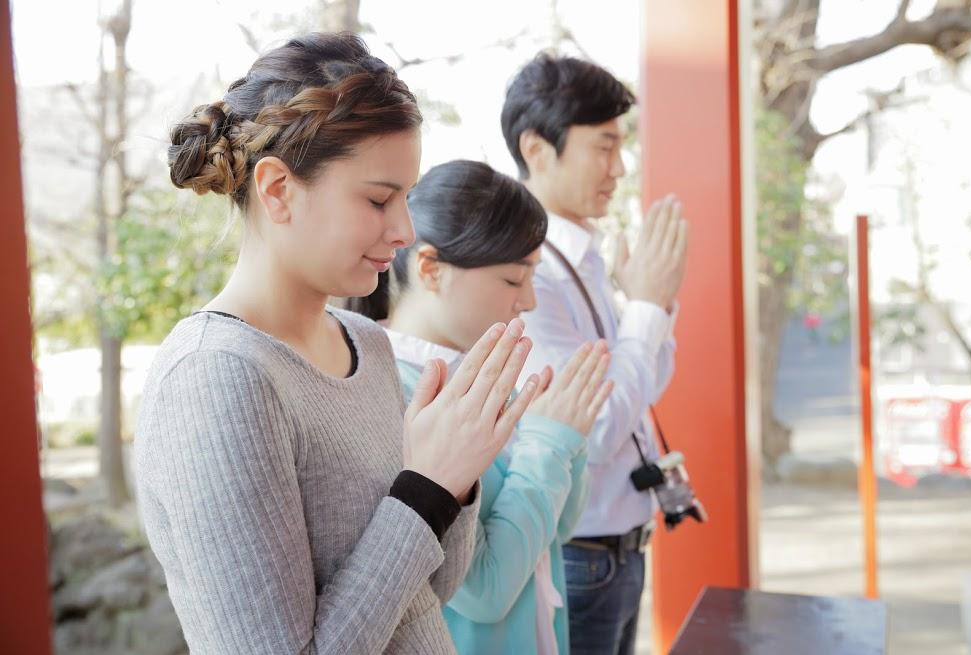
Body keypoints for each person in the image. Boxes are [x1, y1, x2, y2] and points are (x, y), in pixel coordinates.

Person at [135, 33, 541, 655]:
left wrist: (455, 478)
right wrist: (425, 488)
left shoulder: (367, 343)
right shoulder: (215, 377)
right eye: (379, 199)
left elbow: (431, 592)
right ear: (277, 191)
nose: (404, 229)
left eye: (406, 198)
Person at [350, 159, 612, 655]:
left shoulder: (483, 373)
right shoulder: (396, 395)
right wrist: (549, 445)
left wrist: (565, 433)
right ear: (430, 268)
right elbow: (484, 592)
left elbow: (559, 529)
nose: (529, 300)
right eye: (514, 280)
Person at [501, 53, 690, 655]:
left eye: (621, 146)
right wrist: (648, 309)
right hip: (580, 556)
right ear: (537, 149)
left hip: (618, 547)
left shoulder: (581, 256)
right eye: (603, 147)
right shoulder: (528, 277)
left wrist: (651, 309)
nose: (620, 166)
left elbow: (646, 383)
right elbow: (597, 428)